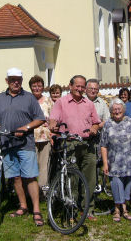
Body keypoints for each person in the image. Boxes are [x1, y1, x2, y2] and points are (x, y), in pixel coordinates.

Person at [0, 68, 46, 226]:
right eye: (12, 79)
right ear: (7, 81)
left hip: (25, 143)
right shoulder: (0, 98)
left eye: (18, 79)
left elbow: (40, 119)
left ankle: (37, 210)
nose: (15, 82)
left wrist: (25, 128)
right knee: (16, 177)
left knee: (30, 176)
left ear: (21, 80)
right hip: (7, 143)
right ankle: (23, 206)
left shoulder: (29, 98)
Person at [49, 75, 101, 220]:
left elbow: (96, 121)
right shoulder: (61, 102)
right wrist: (53, 125)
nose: (80, 89)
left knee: (90, 179)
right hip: (70, 143)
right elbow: (53, 118)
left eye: (82, 87)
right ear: (70, 86)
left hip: (87, 143)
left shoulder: (89, 104)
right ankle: (71, 209)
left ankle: (88, 209)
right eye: (77, 86)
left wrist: (94, 128)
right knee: (72, 179)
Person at [100, 98, 131, 222]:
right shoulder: (108, 124)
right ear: (111, 111)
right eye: (114, 109)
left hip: (129, 161)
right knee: (116, 184)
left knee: (127, 184)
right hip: (114, 162)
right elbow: (103, 145)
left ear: (123, 110)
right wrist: (105, 162)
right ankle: (117, 209)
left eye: (119, 109)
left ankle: (125, 208)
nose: (117, 111)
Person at [28, 75, 53, 197]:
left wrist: (53, 134)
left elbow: (53, 118)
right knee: (31, 166)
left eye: (39, 86)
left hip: (45, 138)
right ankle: (31, 192)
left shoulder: (48, 101)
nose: (37, 88)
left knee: (44, 166)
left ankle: (43, 191)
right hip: (29, 137)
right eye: (34, 86)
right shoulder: (26, 100)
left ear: (43, 87)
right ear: (31, 87)